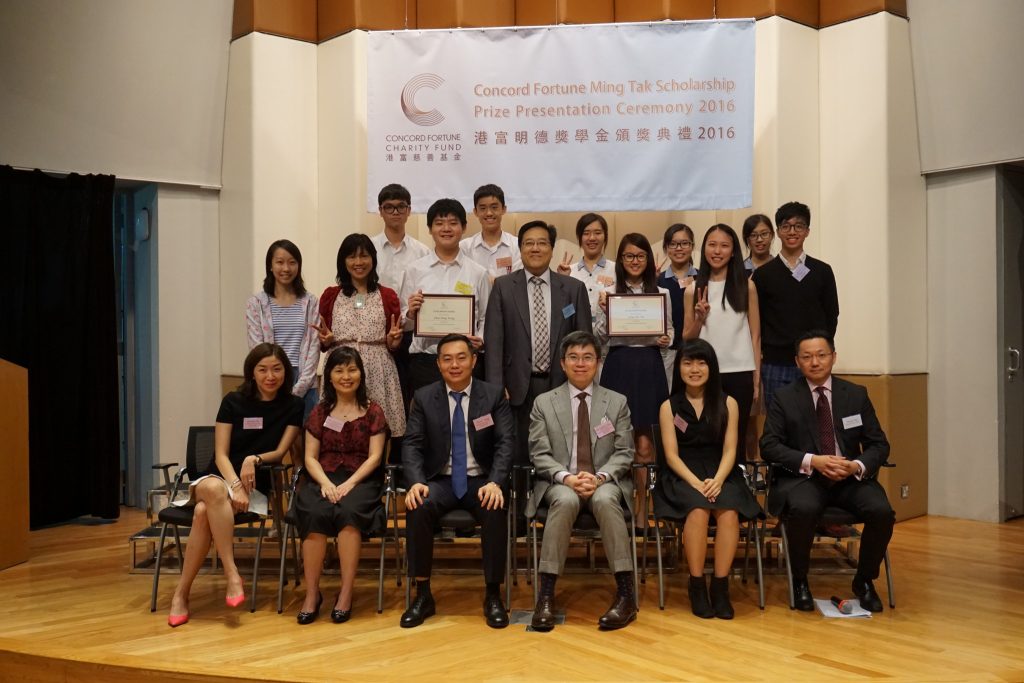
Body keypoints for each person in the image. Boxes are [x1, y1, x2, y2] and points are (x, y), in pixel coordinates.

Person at [167, 343, 303, 627]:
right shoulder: (233, 401)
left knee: (203, 513)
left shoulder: (293, 406)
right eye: (262, 369)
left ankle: (181, 594)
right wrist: (235, 484)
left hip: (255, 485)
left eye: (277, 369)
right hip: (217, 477)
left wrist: (253, 460)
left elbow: (279, 453)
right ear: (251, 372)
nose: (270, 376)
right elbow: (219, 454)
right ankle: (232, 573)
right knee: (214, 491)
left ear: (285, 373)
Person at [760, 331, 894, 613]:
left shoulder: (855, 394)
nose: (815, 362)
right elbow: (769, 446)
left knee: (882, 511)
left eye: (821, 355)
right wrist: (813, 461)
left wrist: (856, 465)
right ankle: (799, 581)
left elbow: (878, 444)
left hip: (849, 478)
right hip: (804, 479)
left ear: (833, 357)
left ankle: (864, 580)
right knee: (804, 508)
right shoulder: (785, 397)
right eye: (807, 357)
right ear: (797, 362)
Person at [400, 334, 515, 629]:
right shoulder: (424, 397)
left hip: (481, 480)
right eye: (447, 359)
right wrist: (415, 482)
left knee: (494, 507)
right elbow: (411, 444)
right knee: (418, 505)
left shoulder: (492, 395)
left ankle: (492, 594)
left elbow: (505, 443)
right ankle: (423, 594)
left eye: (461, 357)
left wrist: (496, 482)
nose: (455, 364)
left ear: (474, 361)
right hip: (440, 480)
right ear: (438, 364)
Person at [527, 331, 638, 631]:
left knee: (604, 499)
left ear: (598, 362)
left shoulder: (617, 402)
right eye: (573, 358)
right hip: (560, 482)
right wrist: (568, 478)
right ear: (562, 364)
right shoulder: (543, 403)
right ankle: (546, 595)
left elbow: (625, 452)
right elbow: (539, 454)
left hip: (605, 481)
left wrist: (600, 477)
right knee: (564, 499)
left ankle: (626, 594)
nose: (580, 364)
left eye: (587, 357)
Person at [655, 339, 762, 619]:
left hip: (721, 471)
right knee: (699, 510)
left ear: (712, 367)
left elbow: (730, 449)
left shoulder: (729, 403)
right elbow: (671, 455)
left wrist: (716, 479)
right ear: (678, 368)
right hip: (682, 474)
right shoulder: (669, 406)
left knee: (728, 513)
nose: (694, 369)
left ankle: (720, 586)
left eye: (701, 362)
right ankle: (697, 584)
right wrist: (695, 482)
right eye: (688, 362)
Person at [484, 220, 592, 469]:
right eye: (529, 243)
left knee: (559, 448)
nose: (535, 248)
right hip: (516, 385)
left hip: (560, 382)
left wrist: (579, 382)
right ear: (520, 249)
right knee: (518, 451)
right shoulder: (503, 287)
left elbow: (584, 341)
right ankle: (521, 502)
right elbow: (494, 341)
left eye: (542, 243)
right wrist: (496, 388)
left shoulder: (573, 289)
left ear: (551, 249)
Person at [294, 347, 387, 624]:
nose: (346, 376)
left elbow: (375, 457)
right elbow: (309, 457)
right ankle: (312, 594)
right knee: (313, 513)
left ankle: (346, 593)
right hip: (323, 477)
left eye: (352, 369)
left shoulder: (373, 411)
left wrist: (348, 484)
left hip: (360, 479)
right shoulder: (320, 411)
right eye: (339, 370)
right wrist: (324, 483)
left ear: (361, 373)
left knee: (348, 515)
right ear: (330, 377)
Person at [595, 233, 673, 523]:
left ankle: (642, 509)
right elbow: (600, 338)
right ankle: (618, 506)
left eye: (640, 256)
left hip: (649, 367)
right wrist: (604, 312)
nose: (634, 261)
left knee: (644, 445)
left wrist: (666, 338)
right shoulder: (609, 293)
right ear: (621, 260)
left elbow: (671, 333)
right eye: (628, 256)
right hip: (619, 365)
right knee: (612, 440)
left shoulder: (661, 293)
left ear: (648, 260)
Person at [315, 234, 406, 454]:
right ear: (342, 261)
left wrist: (394, 343)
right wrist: (325, 342)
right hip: (341, 368)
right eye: (352, 257)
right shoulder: (330, 295)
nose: (358, 263)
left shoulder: (387, 295)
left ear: (373, 260)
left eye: (364, 256)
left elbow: (392, 340)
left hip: (378, 370)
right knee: (338, 422)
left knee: (379, 427)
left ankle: (379, 476)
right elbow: (324, 338)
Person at [682, 223, 760, 461]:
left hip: (740, 372)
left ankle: (734, 488)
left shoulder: (747, 286)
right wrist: (699, 318)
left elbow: (755, 335)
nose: (717, 251)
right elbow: (687, 338)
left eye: (724, 245)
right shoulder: (693, 288)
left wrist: (756, 380)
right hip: (705, 374)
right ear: (703, 249)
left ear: (734, 250)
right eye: (712, 245)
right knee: (707, 436)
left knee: (736, 436)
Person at [751, 201, 839, 411]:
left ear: (807, 231)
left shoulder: (822, 271)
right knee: (779, 423)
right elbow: (757, 320)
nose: (792, 231)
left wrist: (821, 352)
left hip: (814, 361)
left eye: (798, 226)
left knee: (817, 420)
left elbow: (832, 314)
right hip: (775, 363)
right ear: (778, 232)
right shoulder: (763, 275)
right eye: (786, 226)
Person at [400, 198, 491, 394]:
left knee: (465, 419)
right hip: (425, 361)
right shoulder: (414, 270)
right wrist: (410, 314)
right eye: (439, 223)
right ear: (430, 229)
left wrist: (480, 339)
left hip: (465, 362)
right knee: (428, 422)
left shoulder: (478, 273)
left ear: (464, 228)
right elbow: (403, 322)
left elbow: (486, 317)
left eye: (453, 223)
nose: (446, 228)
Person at [246, 240, 320, 420]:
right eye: (279, 262)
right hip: (270, 379)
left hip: (304, 379)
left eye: (292, 262)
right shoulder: (256, 303)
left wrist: (299, 388)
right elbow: (257, 348)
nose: (286, 268)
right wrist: (272, 379)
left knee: (305, 439)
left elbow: (314, 345)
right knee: (272, 438)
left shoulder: (310, 301)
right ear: (270, 266)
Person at [371, 184, 430, 405]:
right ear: (380, 211)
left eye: (400, 207)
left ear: (409, 210)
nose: (395, 212)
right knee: (377, 399)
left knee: (406, 397)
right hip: (375, 336)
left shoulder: (423, 251)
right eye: (389, 207)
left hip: (409, 336)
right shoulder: (369, 248)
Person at [657, 223, 699, 385]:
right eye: (673, 244)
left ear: (692, 246)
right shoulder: (657, 281)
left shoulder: (702, 278)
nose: (679, 248)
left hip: (696, 349)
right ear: (666, 248)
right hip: (667, 352)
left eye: (684, 243)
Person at [557, 212, 616, 319]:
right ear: (579, 237)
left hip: (608, 333)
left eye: (597, 233)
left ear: (605, 236)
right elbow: (565, 314)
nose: (592, 238)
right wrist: (563, 282)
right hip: (579, 334)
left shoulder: (616, 270)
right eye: (586, 233)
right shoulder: (569, 272)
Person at [460, 183, 521, 280]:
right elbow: (461, 283)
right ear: (475, 212)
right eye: (483, 208)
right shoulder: (464, 247)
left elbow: (517, 282)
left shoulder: (517, 245)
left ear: (503, 209)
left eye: (494, 207)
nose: (489, 213)